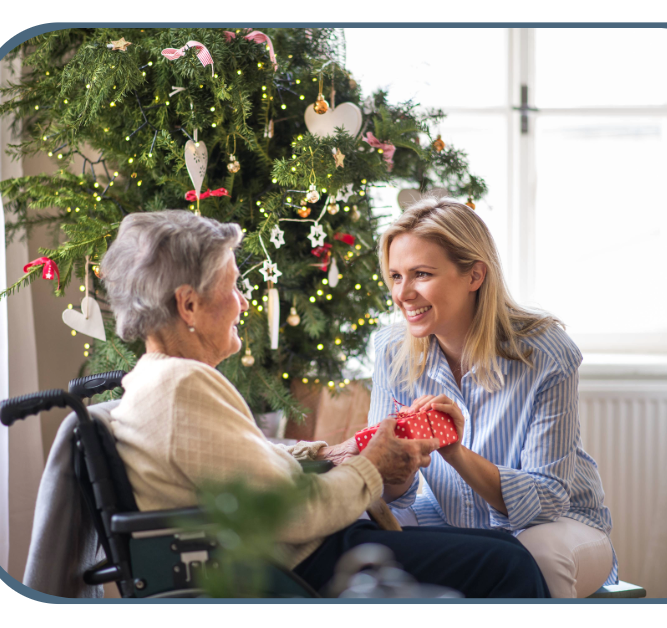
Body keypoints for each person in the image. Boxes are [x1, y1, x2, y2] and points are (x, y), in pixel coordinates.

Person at [100, 209, 549, 598]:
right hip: (302, 565)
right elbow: (293, 513)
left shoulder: (160, 381)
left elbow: (242, 462)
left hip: (305, 552)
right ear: (188, 304)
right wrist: (371, 466)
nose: (243, 302)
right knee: (508, 564)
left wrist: (332, 453)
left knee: (505, 549)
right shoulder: (182, 386)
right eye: (232, 287)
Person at [368, 197, 615, 598]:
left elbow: (547, 500)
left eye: (421, 274)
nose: (403, 293)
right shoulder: (390, 351)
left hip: (559, 525)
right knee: (367, 536)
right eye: (396, 276)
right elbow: (388, 494)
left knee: (538, 556)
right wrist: (396, 460)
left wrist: (455, 452)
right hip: (448, 517)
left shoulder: (545, 353)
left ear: (475, 275)